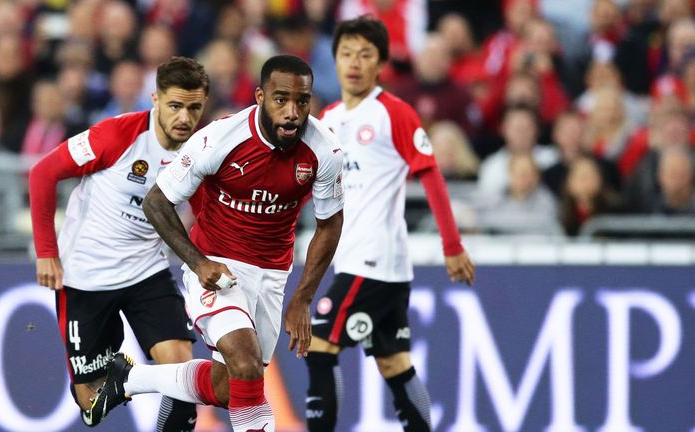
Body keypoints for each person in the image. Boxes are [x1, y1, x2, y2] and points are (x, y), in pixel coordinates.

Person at [88, 55, 344, 432]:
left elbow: (329, 225)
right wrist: (198, 263)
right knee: (245, 363)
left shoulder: (325, 151)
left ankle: (130, 380)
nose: (292, 112)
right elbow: (156, 201)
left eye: (301, 101)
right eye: (280, 99)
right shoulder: (218, 139)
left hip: (272, 274)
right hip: (216, 266)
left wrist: (303, 298)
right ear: (260, 96)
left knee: (231, 387)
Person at [305, 17, 475, 432]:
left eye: (366, 54)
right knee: (395, 363)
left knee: (317, 346)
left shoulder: (393, 113)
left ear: (381, 63)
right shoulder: (327, 117)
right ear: (336, 59)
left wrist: (451, 246)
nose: (354, 63)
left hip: (374, 260)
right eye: (346, 54)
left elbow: (430, 173)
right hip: (361, 263)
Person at [29, 56, 209, 430]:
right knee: (92, 405)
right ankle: (122, 383)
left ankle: (129, 380)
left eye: (194, 108)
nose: (185, 119)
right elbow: (43, 173)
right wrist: (47, 253)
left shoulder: (202, 152)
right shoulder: (116, 135)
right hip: (86, 276)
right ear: (155, 99)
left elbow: (208, 215)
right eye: (175, 106)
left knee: (183, 378)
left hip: (148, 271)